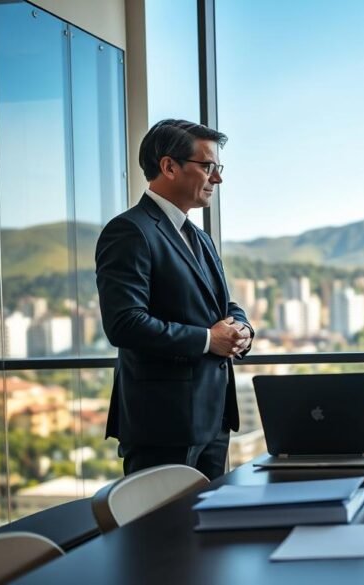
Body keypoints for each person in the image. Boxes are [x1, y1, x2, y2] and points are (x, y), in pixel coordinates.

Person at [96, 119, 254, 479]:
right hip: (162, 424)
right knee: (159, 534)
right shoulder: (130, 231)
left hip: (213, 418)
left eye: (219, 168)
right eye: (208, 166)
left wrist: (242, 329)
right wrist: (207, 340)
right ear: (169, 166)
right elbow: (125, 323)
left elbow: (223, 306)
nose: (217, 179)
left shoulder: (198, 236)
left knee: (206, 531)